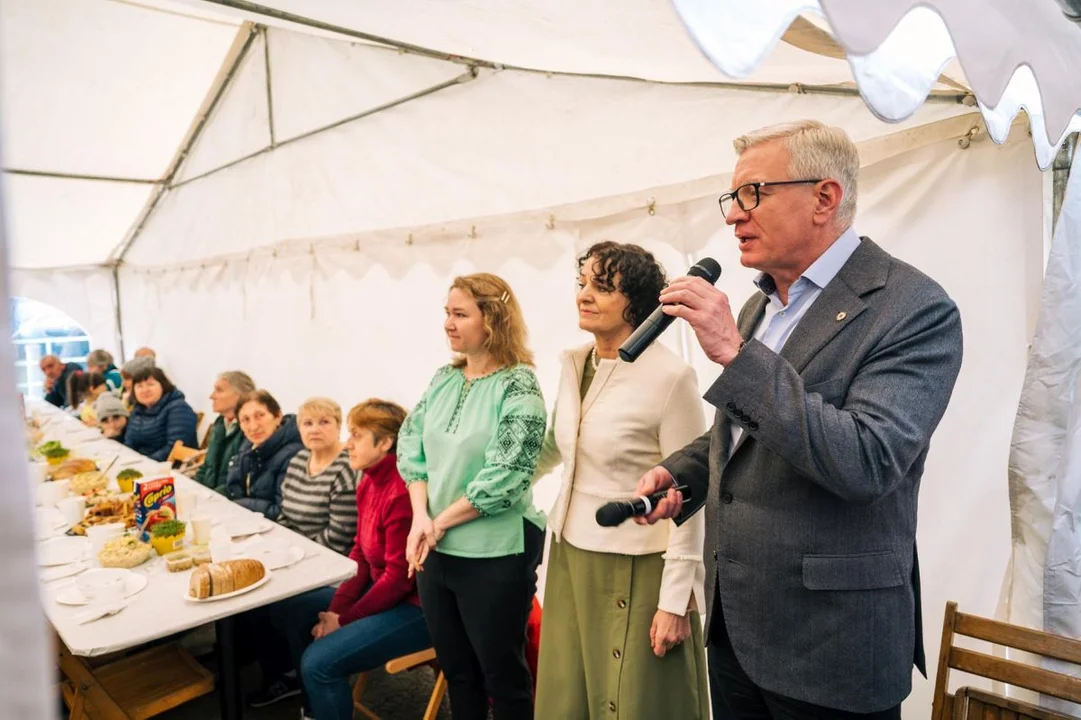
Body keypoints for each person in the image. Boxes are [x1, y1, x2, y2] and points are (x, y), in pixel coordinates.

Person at [635, 120, 964, 719]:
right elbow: (741, 436)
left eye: (752, 194)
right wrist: (680, 478)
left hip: (831, 648)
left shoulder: (914, 310)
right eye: (731, 198)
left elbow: (867, 459)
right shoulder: (762, 303)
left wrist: (737, 354)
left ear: (824, 197)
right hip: (737, 631)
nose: (734, 215)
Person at [533, 242, 710, 719]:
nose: (585, 296)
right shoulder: (573, 365)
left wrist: (676, 600)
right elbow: (555, 448)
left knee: (635, 703)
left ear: (637, 303)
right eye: (583, 283)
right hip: (571, 556)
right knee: (570, 697)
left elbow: (690, 493)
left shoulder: (672, 377)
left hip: (640, 565)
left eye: (603, 287)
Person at [398, 273, 547, 720]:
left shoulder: (520, 385)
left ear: (494, 320)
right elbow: (411, 444)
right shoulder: (444, 379)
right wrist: (420, 516)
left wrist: (438, 522)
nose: (448, 323)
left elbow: (508, 474)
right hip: (435, 547)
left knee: (503, 677)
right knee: (458, 672)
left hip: (495, 553)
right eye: (447, 312)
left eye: (460, 314)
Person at [247, 399, 430, 718]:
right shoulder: (369, 482)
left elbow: (399, 580)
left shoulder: (401, 491)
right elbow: (359, 553)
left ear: (385, 442)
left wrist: (344, 620)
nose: (349, 444)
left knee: (319, 663)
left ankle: (322, 688)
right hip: (384, 592)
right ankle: (317, 706)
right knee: (290, 609)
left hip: (417, 609)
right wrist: (335, 611)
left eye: (357, 435)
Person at [278, 398, 357, 555]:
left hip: (325, 556)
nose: (314, 430)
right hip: (292, 551)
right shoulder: (299, 459)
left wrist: (299, 553)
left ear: (339, 427)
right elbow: (284, 515)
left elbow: (339, 537)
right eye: (307, 423)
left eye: (324, 422)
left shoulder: (348, 466)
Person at [226, 390, 303, 519]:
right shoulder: (249, 446)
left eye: (259, 416)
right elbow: (233, 488)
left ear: (278, 416)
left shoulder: (294, 455)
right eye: (245, 420)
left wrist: (235, 505)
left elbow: (280, 511)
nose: (253, 426)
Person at [195, 371, 256, 494]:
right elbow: (207, 466)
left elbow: (239, 481)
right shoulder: (219, 423)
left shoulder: (252, 430)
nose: (212, 396)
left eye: (219, 390)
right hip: (210, 495)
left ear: (240, 396)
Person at [124, 366, 199, 461]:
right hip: (142, 463)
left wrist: (146, 463)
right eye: (139, 386)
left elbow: (174, 448)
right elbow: (129, 442)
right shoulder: (138, 410)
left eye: (150, 384)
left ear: (163, 385)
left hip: (170, 467)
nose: (145, 390)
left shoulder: (178, 408)